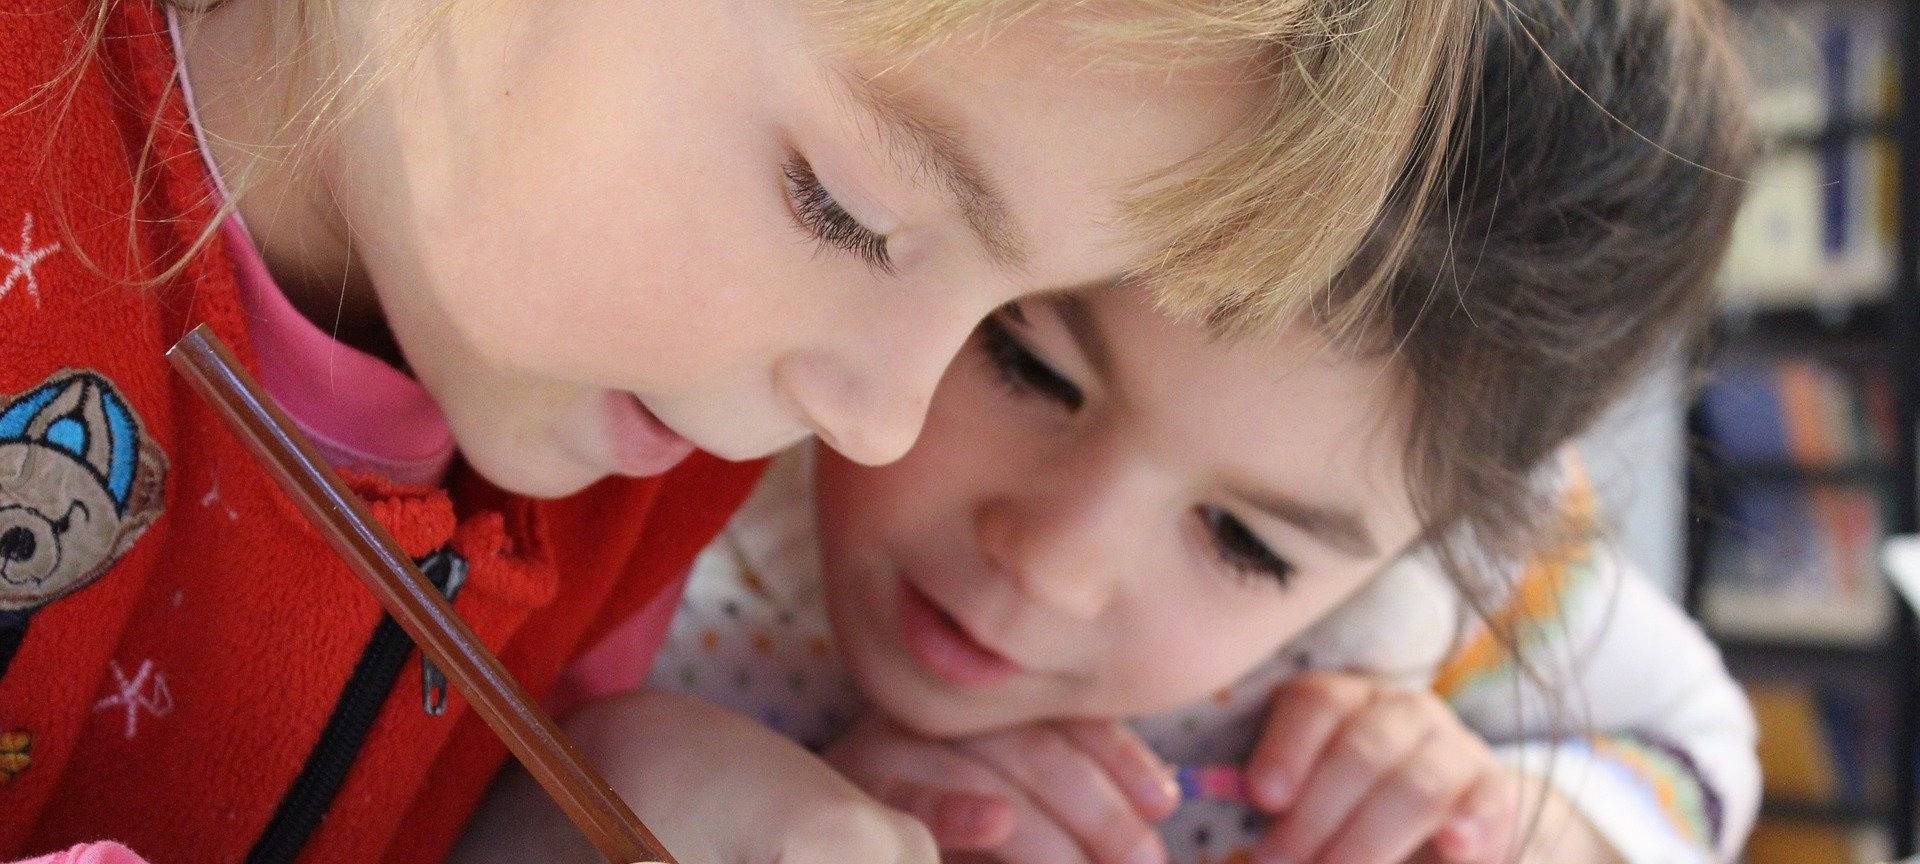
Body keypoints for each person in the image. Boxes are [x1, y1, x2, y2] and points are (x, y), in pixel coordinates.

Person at [0, 0, 1482, 861]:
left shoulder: (635, 441)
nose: (888, 421)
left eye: (1001, 316)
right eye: (850, 209)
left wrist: (631, 799)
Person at [455, 1, 1760, 863]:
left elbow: (1698, 747)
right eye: (1028, 365)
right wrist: (648, 786)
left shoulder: (1438, 605)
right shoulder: (675, 406)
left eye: (1246, 543)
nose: (1053, 565)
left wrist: (1528, 824)